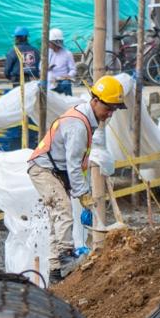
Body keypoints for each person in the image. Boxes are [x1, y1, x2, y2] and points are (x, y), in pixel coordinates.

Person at [27, 74, 126, 281]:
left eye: (114, 110)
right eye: (108, 109)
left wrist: (84, 192)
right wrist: (82, 194)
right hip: (43, 169)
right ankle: (65, 256)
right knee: (63, 210)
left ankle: (55, 272)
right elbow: (73, 164)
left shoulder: (87, 120)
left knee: (58, 217)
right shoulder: (78, 124)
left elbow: (81, 163)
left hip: (56, 170)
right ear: (95, 101)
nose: (109, 115)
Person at [46, 28, 77, 95]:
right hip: (49, 82)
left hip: (61, 82)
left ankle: (69, 102)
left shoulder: (67, 54)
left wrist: (68, 76)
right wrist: (47, 68)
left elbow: (73, 70)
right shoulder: (47, 53)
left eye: (50, 43)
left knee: (66, 84)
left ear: (55, 43)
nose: (49, 45)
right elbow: (40, 67)